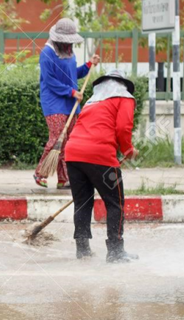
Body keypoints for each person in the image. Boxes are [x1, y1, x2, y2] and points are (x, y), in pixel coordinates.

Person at [64, 69, 139, 263]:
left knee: (82, 202)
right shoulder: (125, 98)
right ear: (123, 85)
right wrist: (129, 150)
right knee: (115, 202)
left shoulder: (92, 101)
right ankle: (115, 251)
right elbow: (123, 128)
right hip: (100, 157)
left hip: (73, 155)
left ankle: (83, 249)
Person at [34, 18, 100, 189]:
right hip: (54, 103)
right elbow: (50, 81)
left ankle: (64, 178)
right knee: (57, 138)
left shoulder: (70, 52)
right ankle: (40, 172)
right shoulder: (47, 54)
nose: (68, 44)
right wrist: (71, 92)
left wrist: (88, 65)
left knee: (70, 141)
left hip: (71, 104)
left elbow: (73, 74)